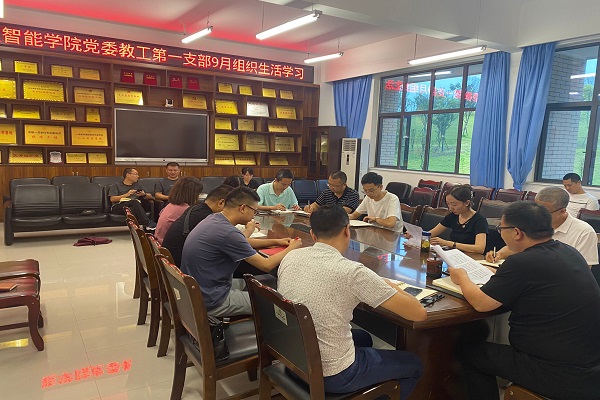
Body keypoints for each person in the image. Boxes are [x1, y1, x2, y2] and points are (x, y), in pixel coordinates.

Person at [449, 202, 600, 400]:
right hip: (590, 364)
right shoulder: (568, 252)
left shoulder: (522, 262)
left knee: (470, 353)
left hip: (557, 372)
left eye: (501, 229)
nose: (501, 233)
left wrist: (462, 277)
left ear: (517, 233)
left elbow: (481, 303)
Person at [278, 205, 426, 399]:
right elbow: (418, 313)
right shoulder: (352, 271)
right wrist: (388, 284)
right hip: (332, 374)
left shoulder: (291, 256)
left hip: (293, 359)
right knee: (414, 365)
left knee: (363, 338)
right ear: (347, 230)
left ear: (312, 234)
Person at [181, 187, 303, 318]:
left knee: (265, 282)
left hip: (202, 288)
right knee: (276, 304)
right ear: (243, 208)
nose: (254, 216)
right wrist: (291, 248)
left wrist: (277, 241)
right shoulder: (227, 232)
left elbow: (241, 241)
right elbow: (266, 265)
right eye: (254, 211)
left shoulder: (214, 219)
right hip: (212, 299)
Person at [486, 186, 598, 266]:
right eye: (535, 208)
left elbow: (583, 270)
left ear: (562, 211)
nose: (537, 214)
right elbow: (518, 246)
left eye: (544, 211)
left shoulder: (584, 232)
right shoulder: (533, 221)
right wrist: (499, 254)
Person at [162, 185, 233, 267]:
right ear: (221, 203)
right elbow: (228, 241)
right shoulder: (208, 219)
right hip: (180, 265)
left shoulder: (194, 209)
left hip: (170, 261)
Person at [429, 185, 488, 254]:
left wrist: (447, 243)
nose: (450, 208)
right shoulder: (453, 216)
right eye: (448, 204)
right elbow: (430, 233)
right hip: (454, 254)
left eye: (454, 205)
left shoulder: (479, 220)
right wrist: (420, 236)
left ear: (467, 203)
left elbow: (480, 248)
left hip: (471, 256)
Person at [154, 177, 203, 244]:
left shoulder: (170, 205)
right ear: (192, 194)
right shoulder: (186, 210)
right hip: (166, 246)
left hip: (157, 242)